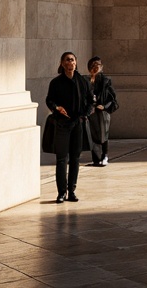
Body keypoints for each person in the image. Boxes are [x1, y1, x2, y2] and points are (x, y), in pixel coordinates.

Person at [45, 51, 92, 203]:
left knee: (75, 159)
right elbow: (49, 100)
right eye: (67, 60)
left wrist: (84, 114)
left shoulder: (83, 82)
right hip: (62, 125)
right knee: (61, 159)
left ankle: (71, 191)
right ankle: (61, 193)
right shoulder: (56, 82)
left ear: (76, 63)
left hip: (77, 123)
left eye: (72, 60)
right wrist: (57, 108)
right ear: (62, 63)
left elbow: (90, 100)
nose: (70, 63)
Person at [85, 56, 118, 167]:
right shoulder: (86, 81)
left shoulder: (105, 81)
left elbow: (112, 98)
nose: (96, 67)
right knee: (92, 135)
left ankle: (105, 156)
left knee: (104, 134)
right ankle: (96, 158)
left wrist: (104, 106)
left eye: (98, 65)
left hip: (102, 111)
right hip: (91, 111)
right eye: (93, 65)